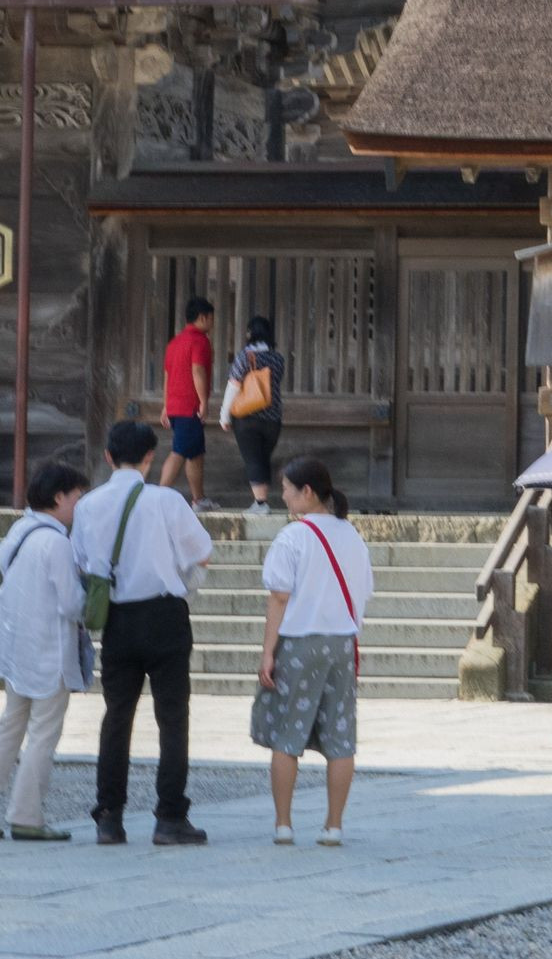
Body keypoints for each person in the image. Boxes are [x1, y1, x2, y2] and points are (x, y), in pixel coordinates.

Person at [72, 417, 213, 845]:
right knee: (172, 717)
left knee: (117, 715)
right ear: (151, 456)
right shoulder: (166, 501)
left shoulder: (88, 506)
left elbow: (81, 563)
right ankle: (170, 815)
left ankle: (109, 816)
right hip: (165, 614)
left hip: (117, 617)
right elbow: (202, 553)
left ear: (108, 456)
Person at [0, 460, 93, 843]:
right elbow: (71, 604)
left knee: (10, 724)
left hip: (17, 645)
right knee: (43, 733)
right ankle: (26, 816)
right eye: (77, 497)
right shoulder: (57, 542)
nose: (79, 505)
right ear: (59, 498)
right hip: (50, 648)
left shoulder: (20, 532)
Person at [250, 454, 371, 847]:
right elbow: (364, 592)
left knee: (288, 734)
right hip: (342, 643)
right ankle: (333, 826)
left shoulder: (293, 537)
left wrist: (268, 652)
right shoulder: (352, 536)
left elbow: (279, 597)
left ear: (306, 492)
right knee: (340, 737)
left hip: (300, 641)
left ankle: (284, 824)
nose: (283, 496)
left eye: (287, 489)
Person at [223, 314, 287, 515]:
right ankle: (260, 501)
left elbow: (233, 386)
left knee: (253, 459)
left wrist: (224, 414)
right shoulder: (278, 358)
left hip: (247, 416)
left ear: (250, 334)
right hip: (273, 418)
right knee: (262, 458)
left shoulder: (245, 356)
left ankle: (260, 504)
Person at [156, 297, 216, 503]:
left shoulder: (174, 343)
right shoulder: (200, 341)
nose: (212, 323)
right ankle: (156, 498)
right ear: (203, 317)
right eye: (211, 318)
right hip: (189, 406)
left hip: (175, 406)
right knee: (179, 451)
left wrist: (166, 405)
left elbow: (167, 375)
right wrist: (204, 401)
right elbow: (197, 370)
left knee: (195, 453)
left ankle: (199, 499)